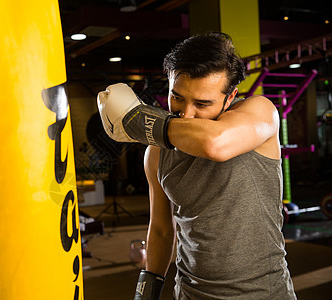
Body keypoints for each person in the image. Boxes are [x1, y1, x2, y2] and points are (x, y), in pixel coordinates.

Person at [97, 32, 296, 299]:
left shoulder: (259, 112)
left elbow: (215, 144)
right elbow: (160, 229)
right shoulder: (157, 151)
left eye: (202, 104)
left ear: (230, 96)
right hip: (189, 293)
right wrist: (146, 292)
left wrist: (138, 121)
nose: (186, 114)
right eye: (177, 97)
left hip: (262, 293)